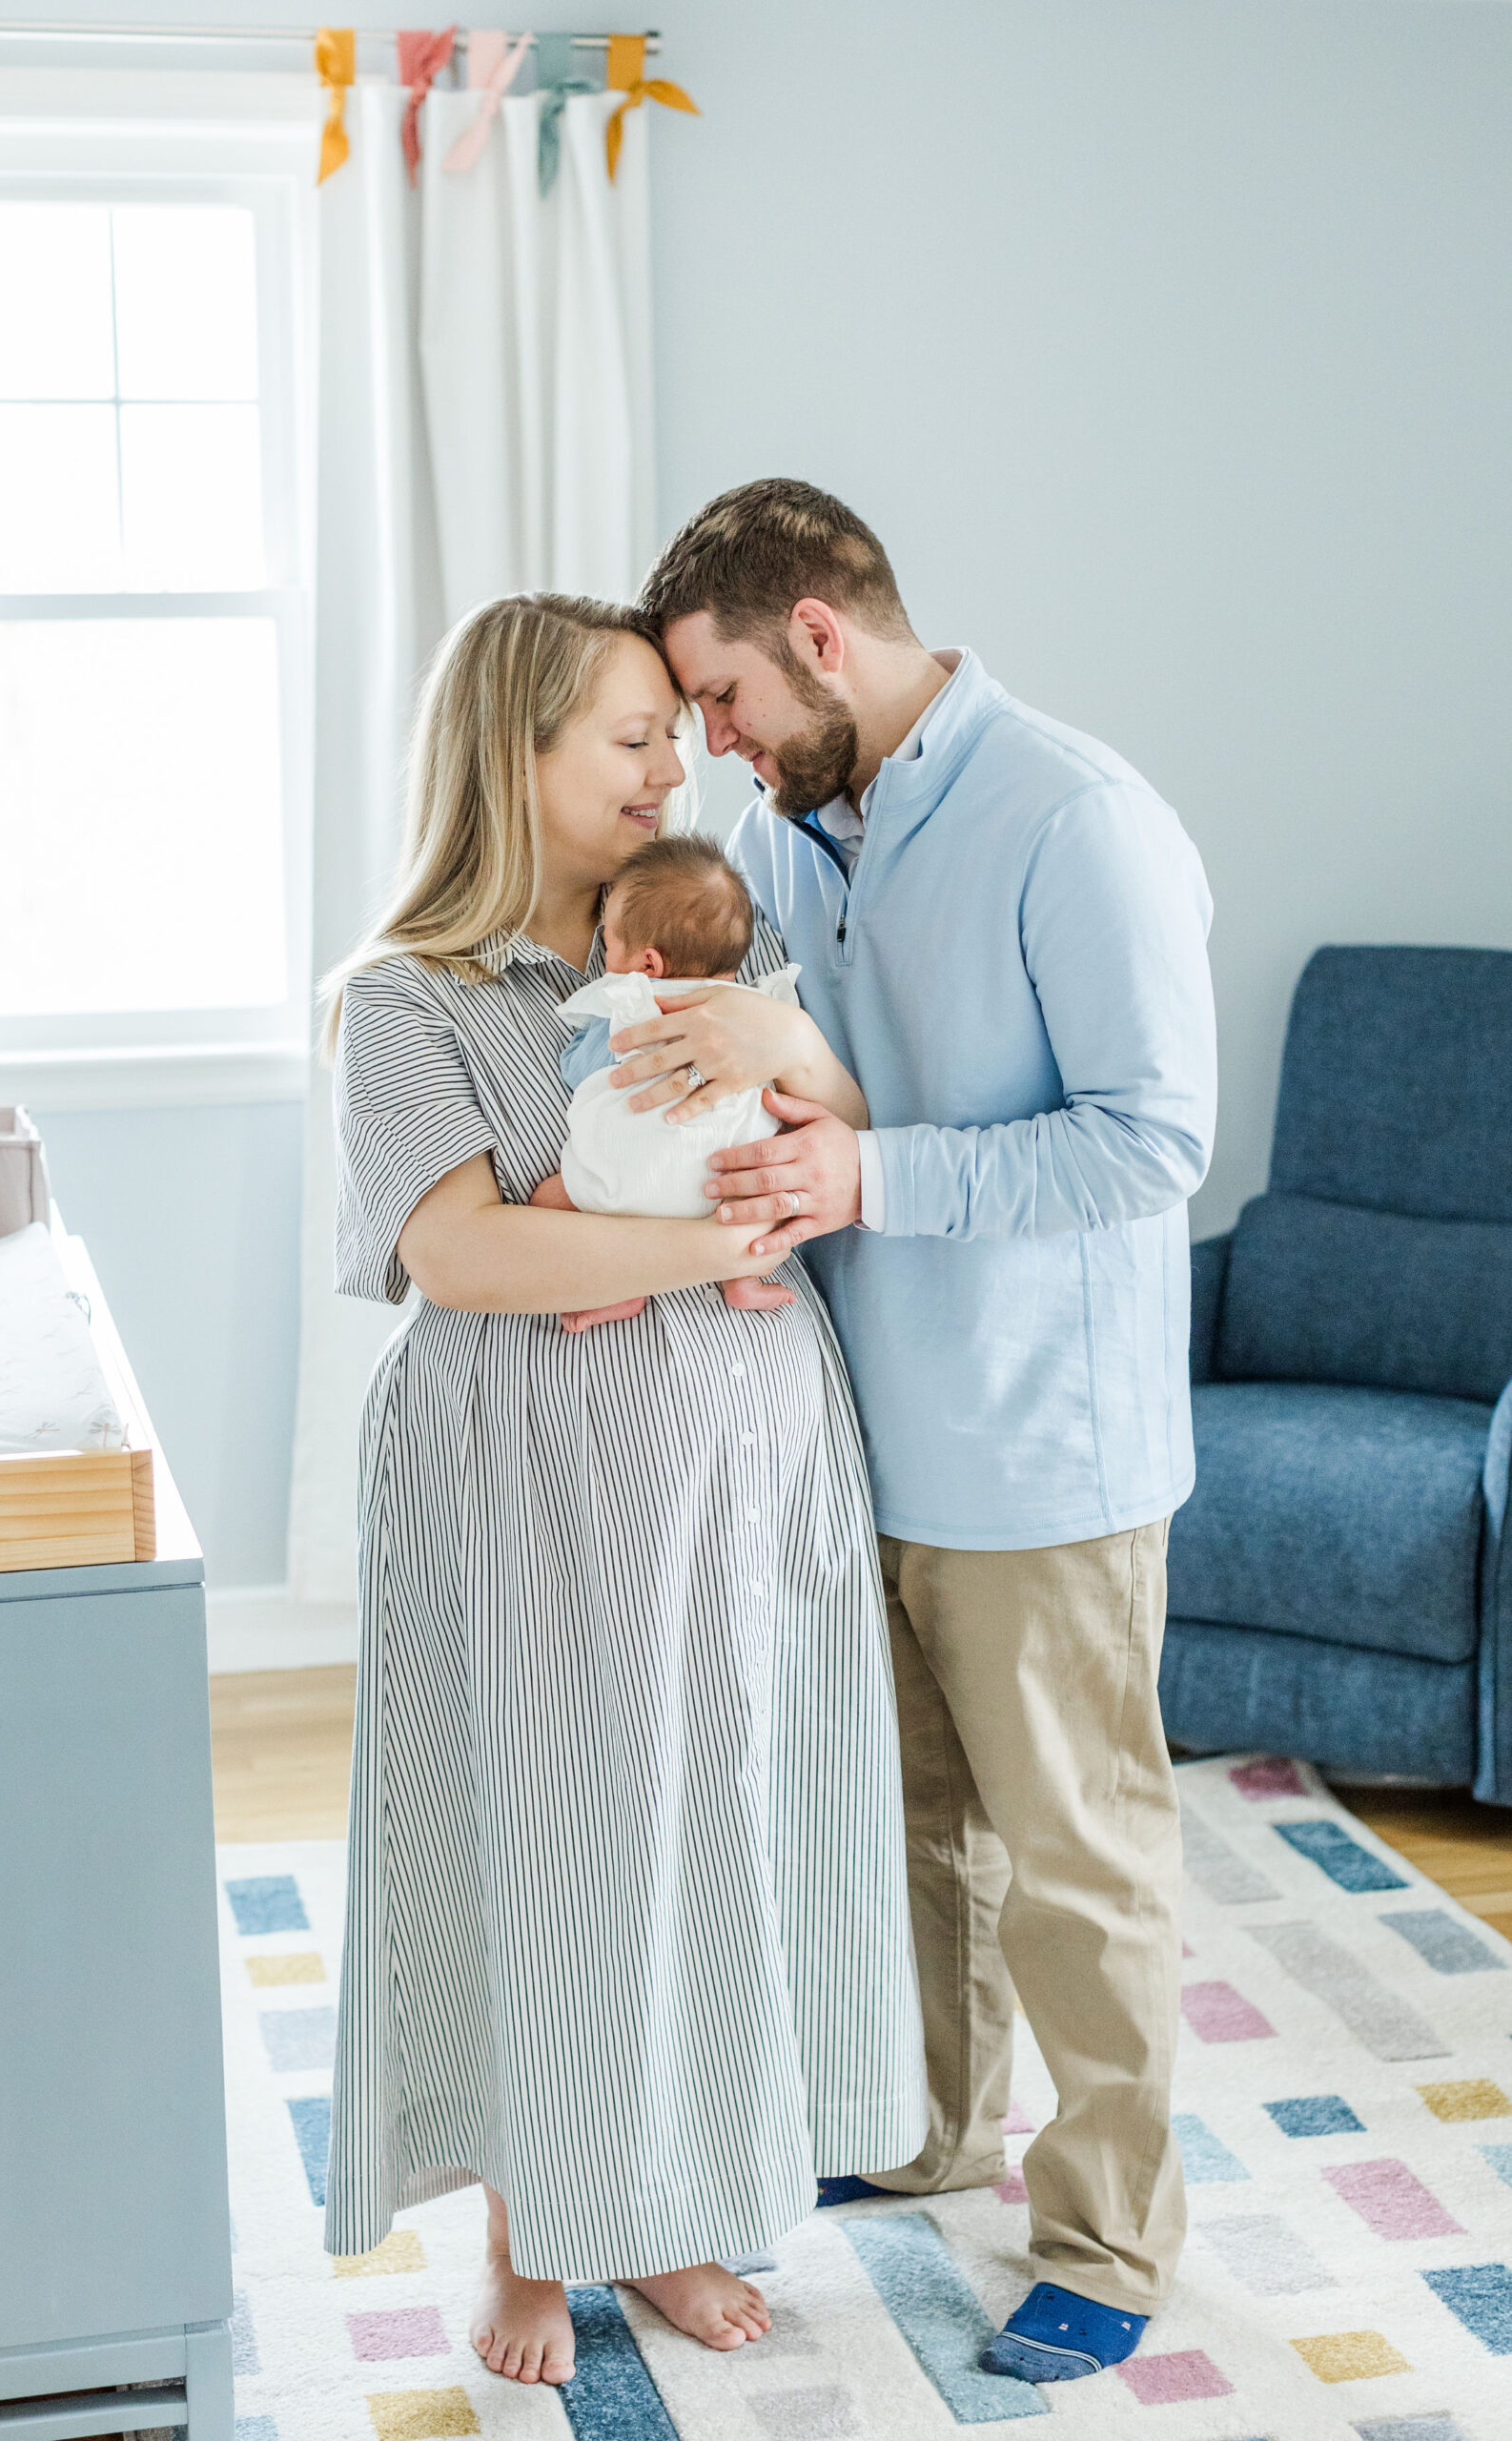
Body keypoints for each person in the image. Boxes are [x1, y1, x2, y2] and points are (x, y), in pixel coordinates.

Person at [621, 481, 1217, 2386]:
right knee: (906, 1832)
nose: (705, 743)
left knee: (1076, 1858)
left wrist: (873, 1173)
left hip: (1043, 1450)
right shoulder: (781, 829)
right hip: (853, 1436)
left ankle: (1107, 2232)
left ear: (813, 630)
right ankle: (928, 2122)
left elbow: (1151, 1137)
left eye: (717, 695)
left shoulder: (1076, 817)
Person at [318, 590, 927, 2390]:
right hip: (528, 1482)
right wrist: (709, 1231)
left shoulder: (713, 939)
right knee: (539, 1835)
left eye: (676, 729)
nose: (679, 767)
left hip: (739, 1465)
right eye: (634, 736)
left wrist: (781, 1070)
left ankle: (658, 2210)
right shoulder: (409, 1002)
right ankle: (532, 2219)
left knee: (709, 1832)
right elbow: (465, 1257)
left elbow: (839, 1107)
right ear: (517, 756)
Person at [532, 831, 834, 1326]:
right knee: (772, 1207)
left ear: (647, 963)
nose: (603, 954)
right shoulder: (766, 1007)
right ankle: (742, 1279)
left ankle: (613, 1290)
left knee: (550, 1202)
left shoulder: (629, 1004)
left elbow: (580, 1072)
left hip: (623, 1191)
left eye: (607, 941)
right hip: (724, 1189)